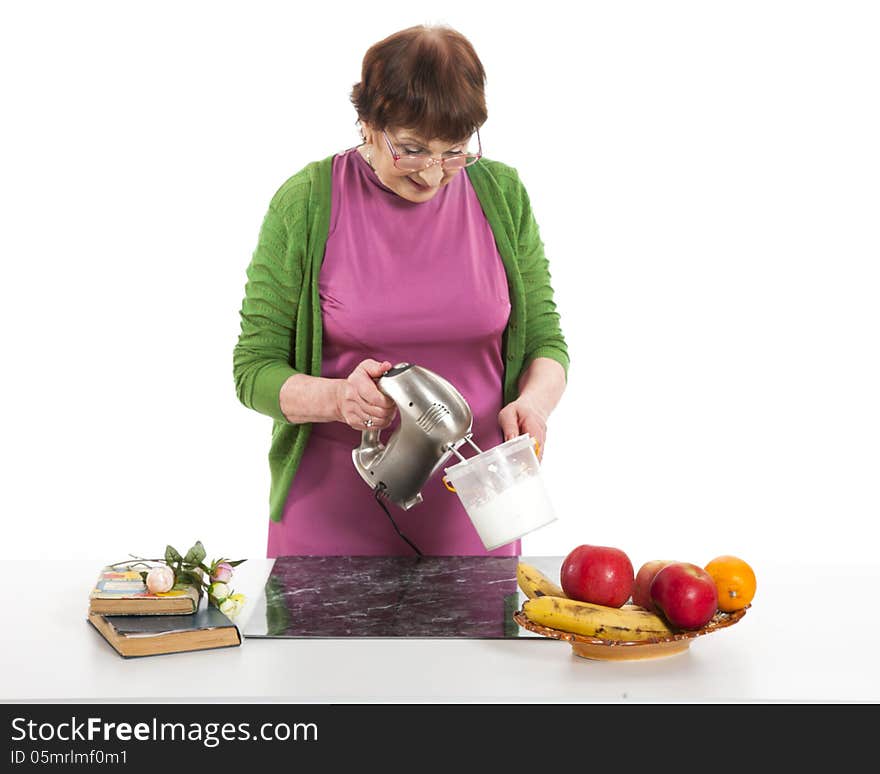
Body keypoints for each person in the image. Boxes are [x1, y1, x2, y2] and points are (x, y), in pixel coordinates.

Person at [233, 24, 569, 558]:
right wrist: (339, 397)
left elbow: (547, 342)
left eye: (455, 151)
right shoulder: (305, 202)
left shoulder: (502, 194)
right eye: (412, 150)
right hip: (332, 518)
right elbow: (253, 371)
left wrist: (534, 404)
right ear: (367, 124)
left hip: (480, 514)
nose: (435, 174)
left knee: (485, 642)